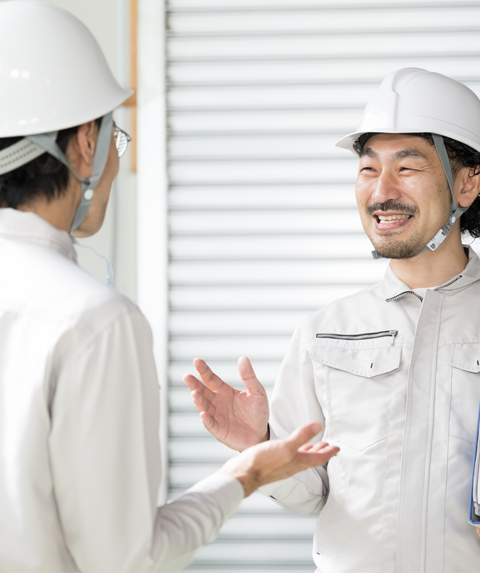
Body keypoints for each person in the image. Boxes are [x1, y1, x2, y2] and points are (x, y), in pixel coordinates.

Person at [0, 3, 340, 573]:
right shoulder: (94, 321)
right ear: (84, 142)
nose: (114, 161)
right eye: (115, 138)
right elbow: (126, 558)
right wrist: (247, 472)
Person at [184, 67, 480, 572]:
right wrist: (263, 446)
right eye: (368, 168)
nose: (381, 191)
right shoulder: (325, 333)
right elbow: (313, 491)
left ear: (467, 184)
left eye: (407, 167)